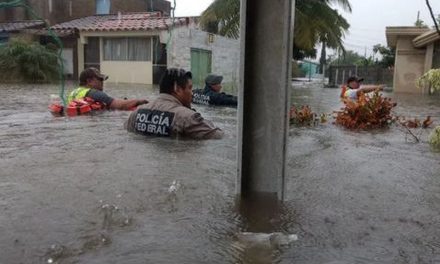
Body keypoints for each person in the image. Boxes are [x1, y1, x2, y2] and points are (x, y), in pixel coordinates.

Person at [126, 68, 224, 139]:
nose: (192, 93)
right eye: (189, 88)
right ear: (177, 89)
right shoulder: (188, 117)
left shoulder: (136, 113)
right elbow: (219, 137)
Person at [68, 67, 148, 110]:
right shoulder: (94, 93)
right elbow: (118, 105)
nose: (102, 82)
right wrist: (138, 101)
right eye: (100, 79)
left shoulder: (73, 93)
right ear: (89, 81)